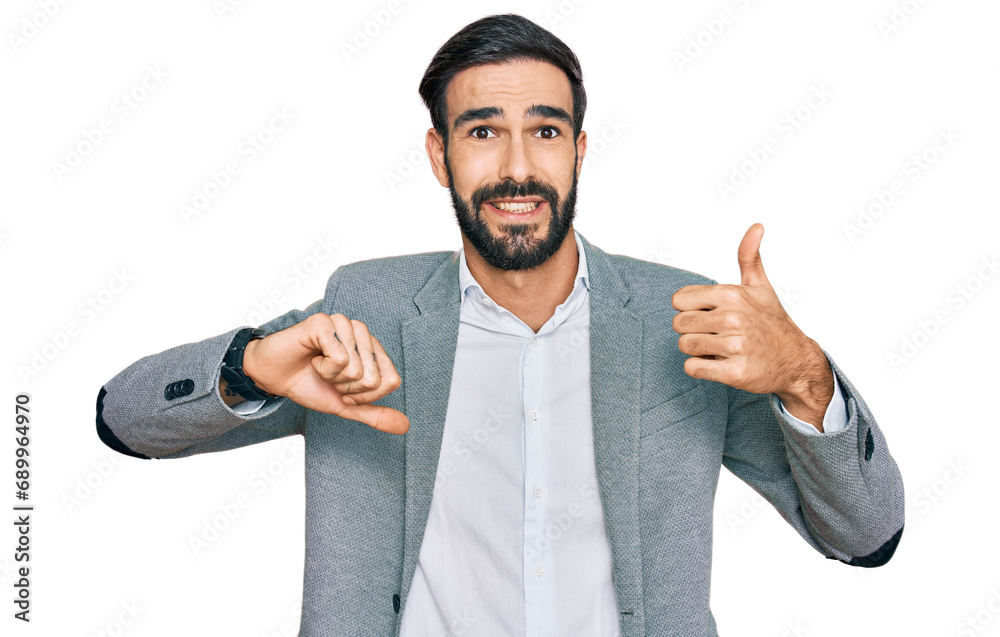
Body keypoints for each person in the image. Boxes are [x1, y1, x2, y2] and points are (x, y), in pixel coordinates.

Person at [95, 13, 904, 637]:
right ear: (440, 155)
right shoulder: (365, 309)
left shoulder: (679, 321)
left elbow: (867, 537)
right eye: (483, 131)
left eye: (544, 130)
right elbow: (121, 419)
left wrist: (805, 374)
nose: (517, 166)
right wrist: (247, 368)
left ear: (579, 150)